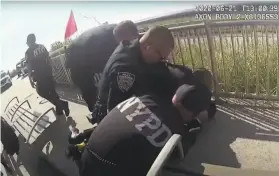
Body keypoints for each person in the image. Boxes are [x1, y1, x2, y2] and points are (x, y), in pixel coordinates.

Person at [78, 83, 212, 176]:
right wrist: (198, 123)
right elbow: (177, 156)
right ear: (195, 113)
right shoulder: (175, 132)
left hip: (86, 160)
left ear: (175, 97)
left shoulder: (144, 98)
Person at [91, 26, 175, 123]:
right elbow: (115, 110)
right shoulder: (125, 68)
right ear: (148, 46)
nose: (162, 61)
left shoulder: (136, 46)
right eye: (161, 57)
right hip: (108, 116)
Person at [65, 21, 139, 113]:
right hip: (77, 60)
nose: (132, 44)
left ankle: (104, 112)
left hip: (84, 51)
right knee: (90, 92)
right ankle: (99, 116)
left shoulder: (120, 31)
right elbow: (112, 72)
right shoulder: (109, 44)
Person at [25, 34, 70, 116]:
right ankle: (60, 110)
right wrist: (54, 67)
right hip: (48, 72)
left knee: (41, 92)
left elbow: (29, 67)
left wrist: (30, 80)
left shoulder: (28, 52)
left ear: (29, 42)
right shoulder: (42, 47)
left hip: (40, 76)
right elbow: (48, 58)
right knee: (53, 92)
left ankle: (62, 104)